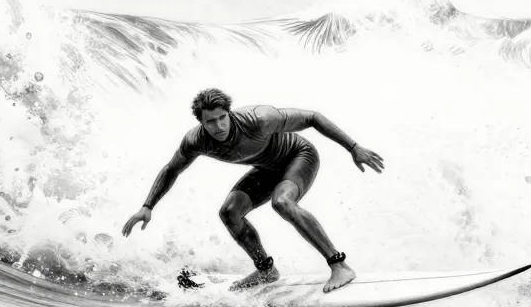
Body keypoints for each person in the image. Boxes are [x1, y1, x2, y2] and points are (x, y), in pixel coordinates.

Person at [121, 88, 384, 293]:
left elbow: (312, 117)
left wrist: (353, 148)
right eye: (210, 121)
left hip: (298, 156)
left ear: (230, 112)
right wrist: (147, 206)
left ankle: (339, 265)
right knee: (229, 212)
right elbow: (171, 169)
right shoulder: (195, 141)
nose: (219, 126)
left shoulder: (259, 119)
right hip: (267, 169)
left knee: (282, 202)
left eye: (222, 117)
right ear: (201, 122)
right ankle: (265, 271)